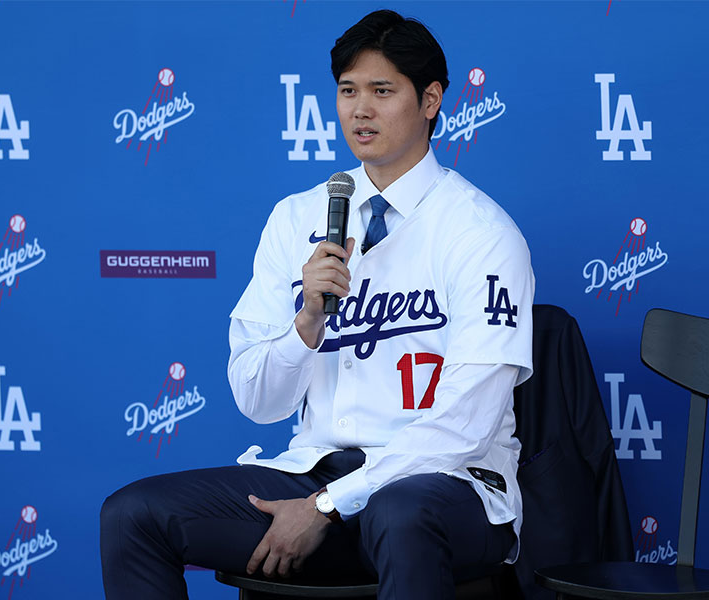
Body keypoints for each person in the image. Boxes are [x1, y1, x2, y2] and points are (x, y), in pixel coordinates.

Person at [100, 9, 534, 599]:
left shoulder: (481, 232)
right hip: (318, 472)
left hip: (447, 488)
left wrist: (329, 506)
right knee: (134, 514)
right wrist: (305, 324)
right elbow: (257, 400)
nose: (360, 110)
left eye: (383, 91)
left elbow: (465, 424)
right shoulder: (297, 217)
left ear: (430, 100)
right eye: (348, 91)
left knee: (399, 512)